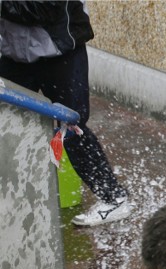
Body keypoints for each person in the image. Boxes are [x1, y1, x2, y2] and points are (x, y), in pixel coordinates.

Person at [0, 1, 132, 226]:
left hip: (60, 51)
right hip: (13, 53)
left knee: (71, 127)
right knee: (7, 122)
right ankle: (14, 199)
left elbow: (45, 8)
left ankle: (114, 198)